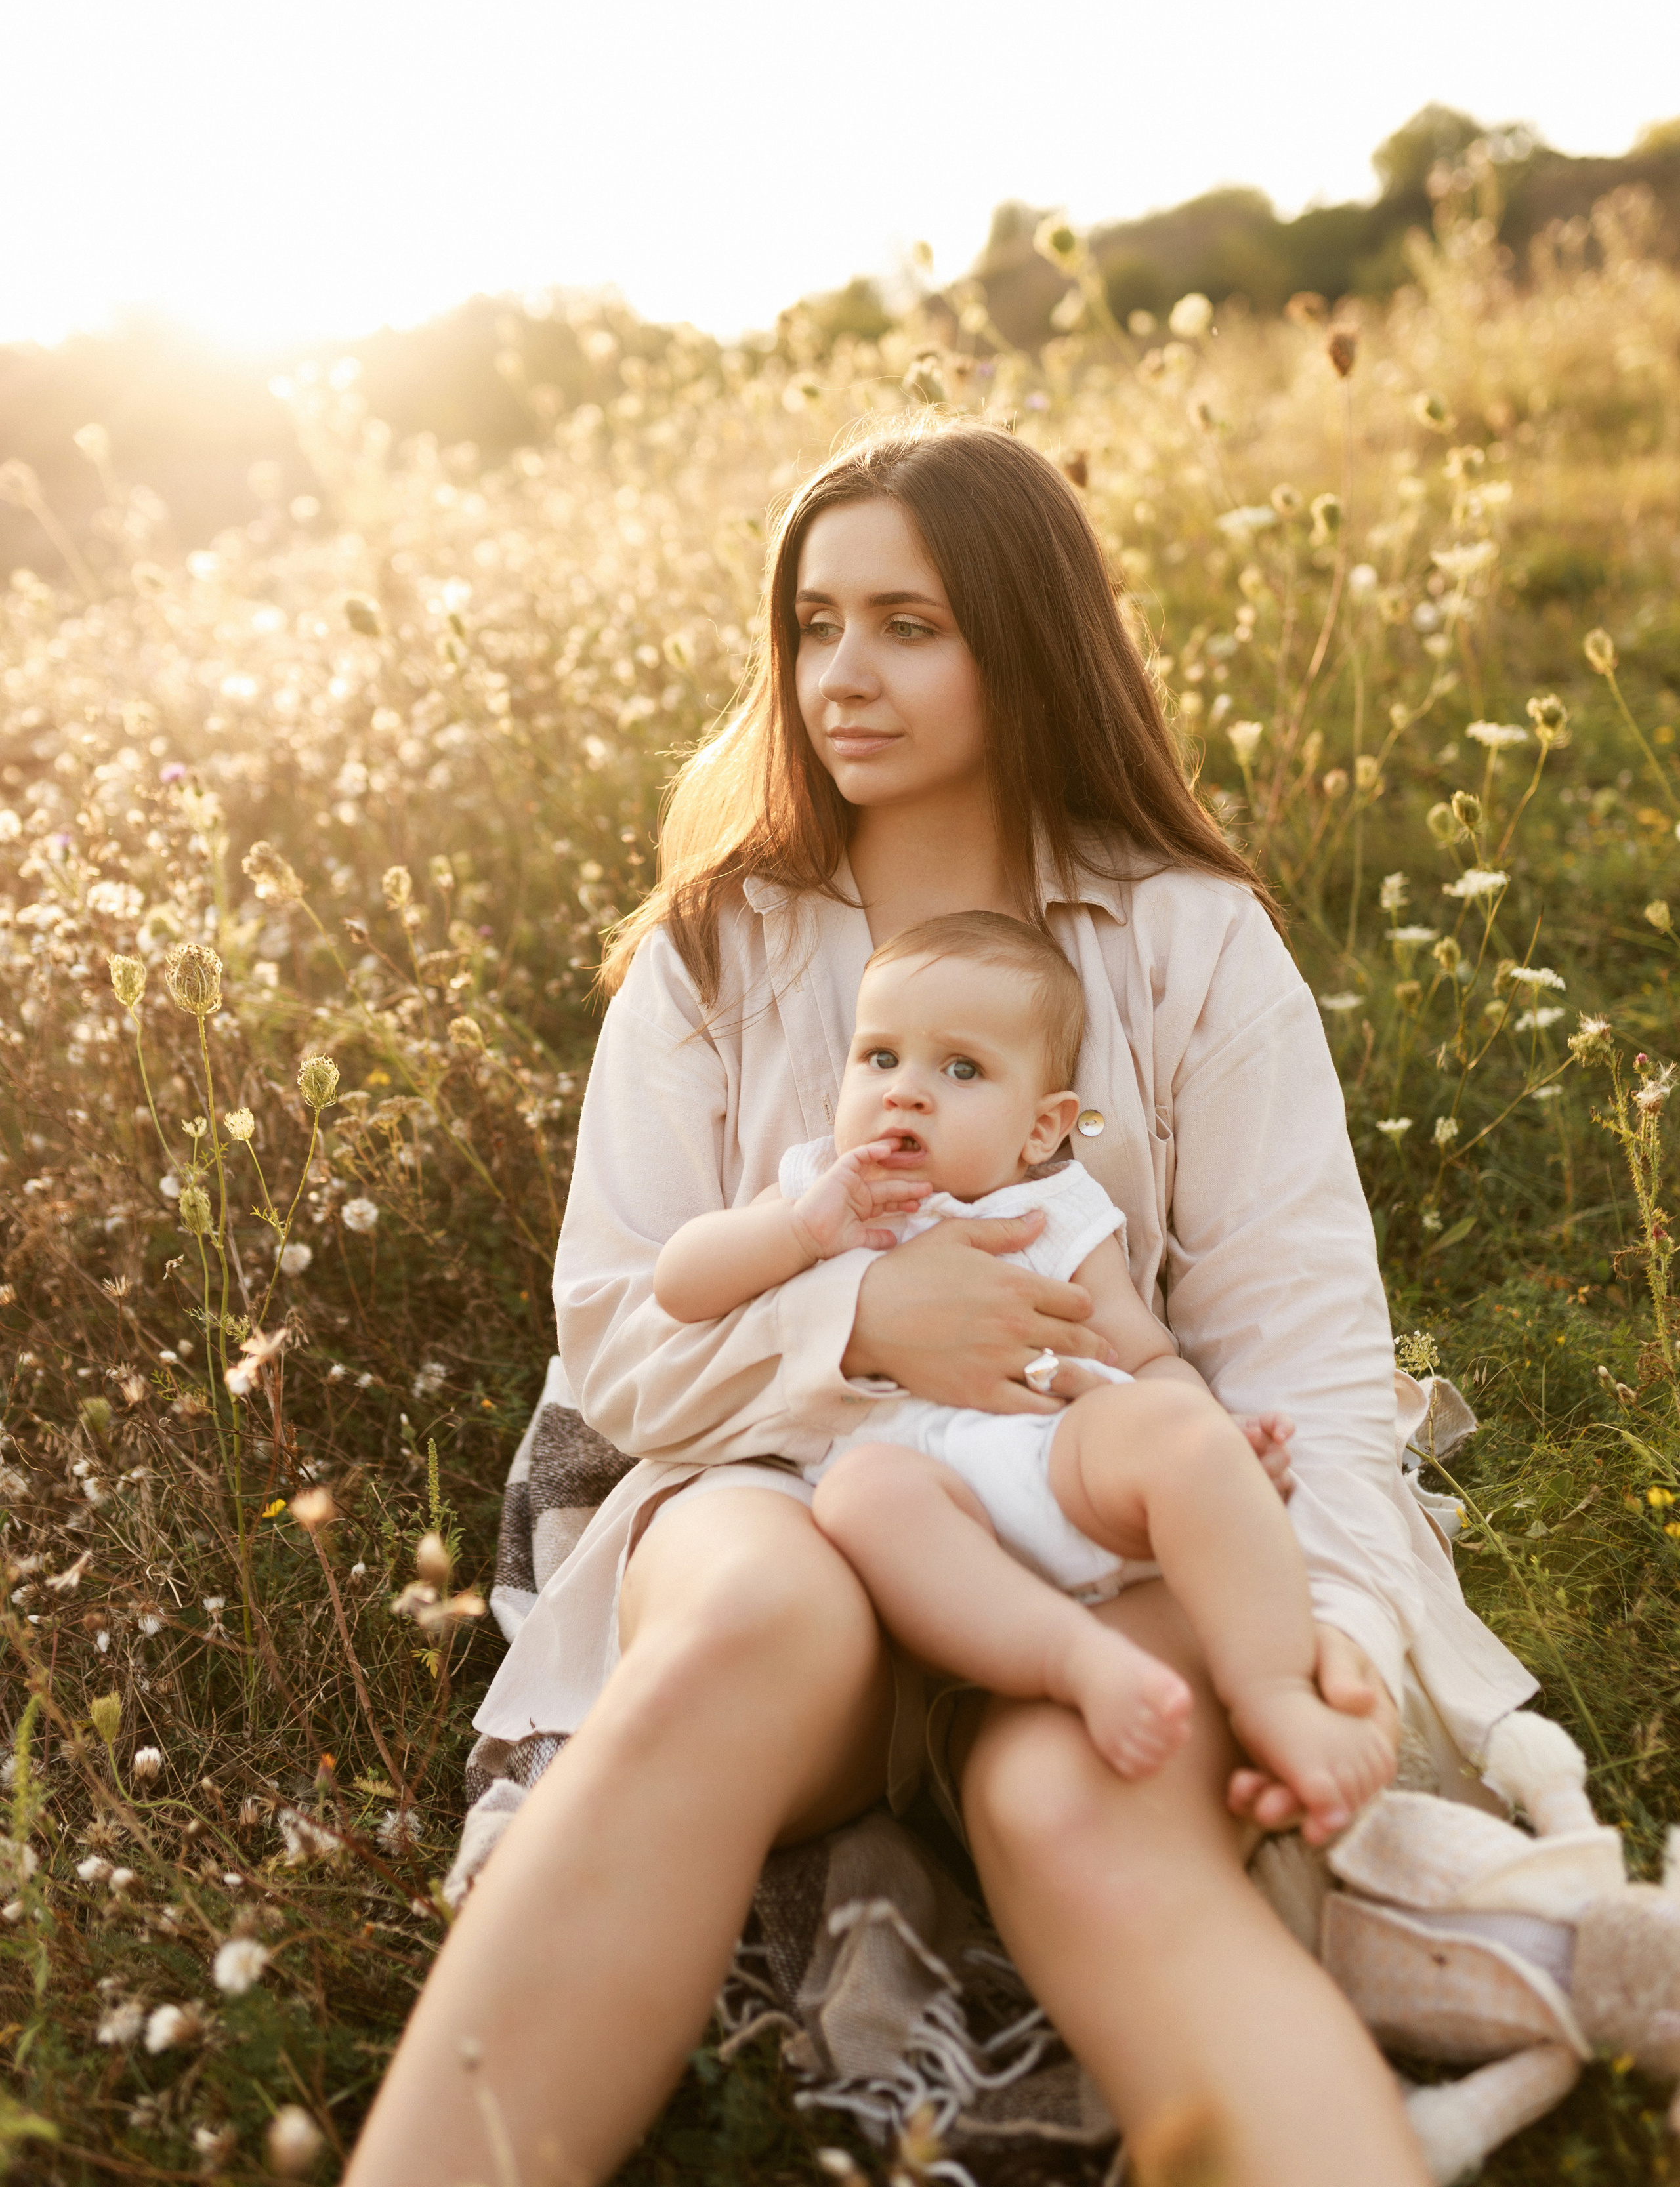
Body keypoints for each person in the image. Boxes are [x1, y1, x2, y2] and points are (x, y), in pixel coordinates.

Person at [344, 418, 1536, 2187]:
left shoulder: (1190, 939)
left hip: (1082, 1515)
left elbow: (1305, 1355)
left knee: (1071, 1806)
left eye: (909, 626)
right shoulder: (714, 949)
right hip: (775, 1488)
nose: (843, 673)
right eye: (814, 625)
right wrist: (859, 1322)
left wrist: (1330, 1617)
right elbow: (617, 1340)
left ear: (1027, 640)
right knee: (744, 1631)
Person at [653, 907, 1395, 1825]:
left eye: (961, 1070)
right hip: (921, 1505)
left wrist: (1210, 1438)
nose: (905, 1093)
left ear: (1042, 1129)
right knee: (860, 1498)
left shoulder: (1058, 1214)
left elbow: (1144, 1352)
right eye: (880, 1058)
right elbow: (680, 1283)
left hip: (1058, 1466)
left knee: (1168, 1428)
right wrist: (799, 1234)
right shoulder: (817, 1193)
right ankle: (1079, 1661)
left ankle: (1277, 1692)